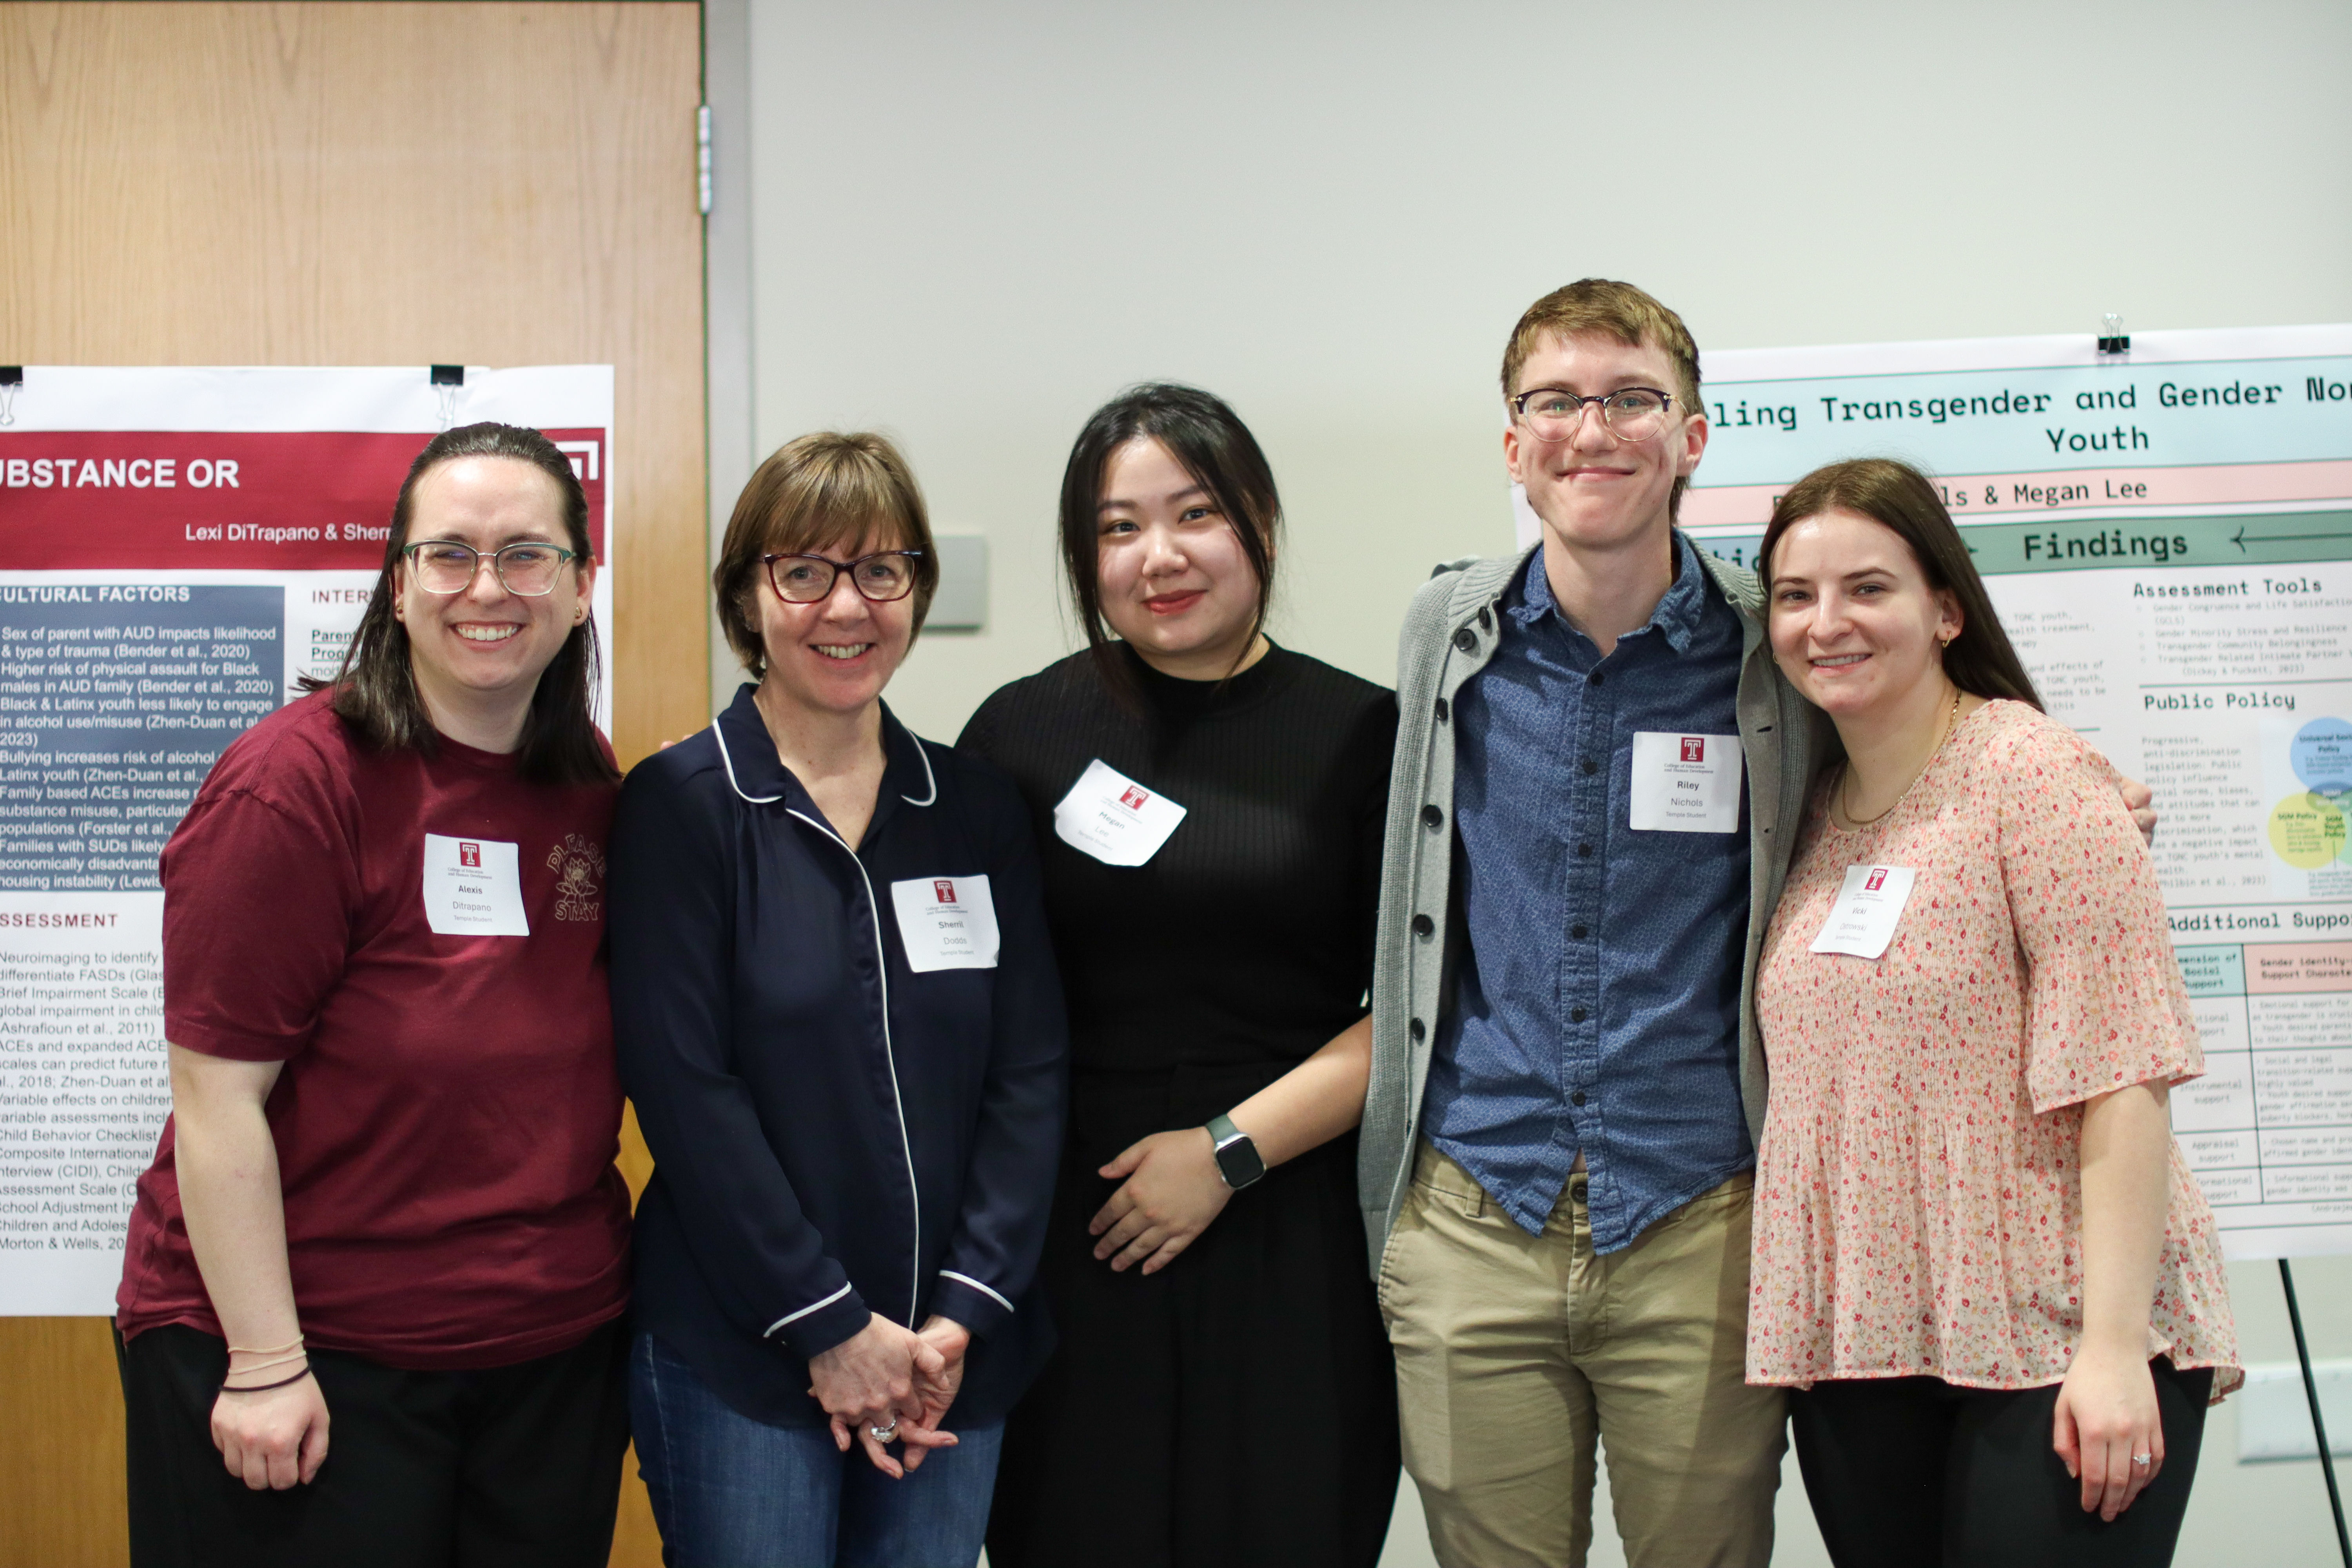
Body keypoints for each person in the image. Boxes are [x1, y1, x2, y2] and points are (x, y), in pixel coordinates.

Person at [1357, 279, 2160, 1568]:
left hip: (1703, 1217)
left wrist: (2081, 786)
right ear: (1514, 444)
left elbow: (1927, 761)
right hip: (1475, 1215)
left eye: (1633, 398)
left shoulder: (1770, 646)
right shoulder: (1448, 633)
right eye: (1555, 401)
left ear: (1694, 435)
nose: (1593, 430)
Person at [114, 422, 634, 1567]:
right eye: (448, 555)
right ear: (397, 587)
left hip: (543, 1354)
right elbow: (215, 1103)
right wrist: (264, 1361)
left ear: (583, 583)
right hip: (314, 1356)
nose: (486, 589)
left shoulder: (586, 778)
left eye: (528, 555)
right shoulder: (295, 788)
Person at [1746, 456, 2238, 1568]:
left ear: (1946, 610)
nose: (1827, 623)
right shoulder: (1813, 810)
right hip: (1869, 1342)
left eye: (1868, 588)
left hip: (2058, 1333)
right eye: (1794, 595)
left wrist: (2112, 1351)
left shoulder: (2034, 776)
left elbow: (2125, 1074)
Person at [609, 431, 1067, 1568]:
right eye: (802, 572)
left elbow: (1029, 1071)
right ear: (747, 598)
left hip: (949, 1358)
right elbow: (684, 1090)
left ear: (916, 590)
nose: (843, 606)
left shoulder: (972, 805)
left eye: (880, 571)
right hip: (745, 1354)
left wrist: (962, 1314)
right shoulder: (681, 807)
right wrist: (827, 1327)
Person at [965, 384, 1401, 1568]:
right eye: (1117, 527)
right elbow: (967, 999)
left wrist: (1223, 1152)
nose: (1158, 556)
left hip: (1287, 1218)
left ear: (1258, 518)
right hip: (1071, 1231)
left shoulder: (1368, 733)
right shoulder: (1021, 733)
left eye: (1195, 513)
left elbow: (1420, 1009)